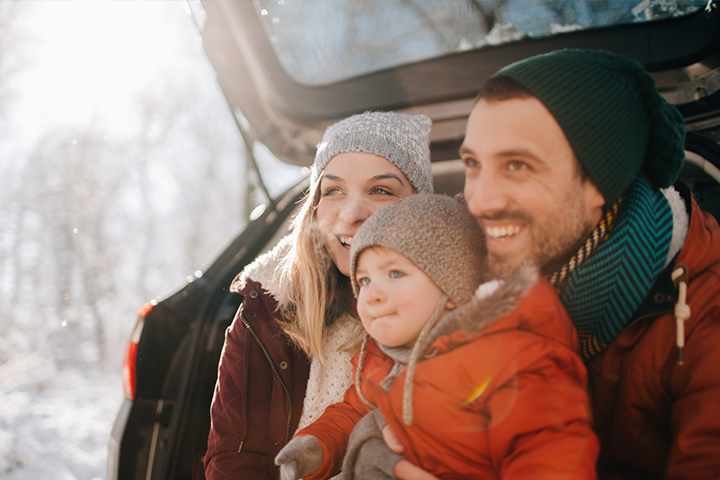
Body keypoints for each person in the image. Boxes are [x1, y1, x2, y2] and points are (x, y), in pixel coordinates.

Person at [378, 49, 720, 480]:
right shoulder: (458, 277)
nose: (478, 200)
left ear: (600, 182)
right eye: (473, 164)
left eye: (517, 166)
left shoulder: (705, 315)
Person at [274, 193, 599, 480]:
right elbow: (355, 410)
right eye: (365, 280)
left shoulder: (509, 356)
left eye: (395, 273)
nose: (371, 295)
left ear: (452, 287)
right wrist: (315, 446)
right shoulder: (386, 358)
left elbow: (548, 453)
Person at [203, 111, 435, 480]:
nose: (351, 213)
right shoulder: (265, 312)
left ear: (421, 209)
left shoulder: (458, 309)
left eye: (380, 190)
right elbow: (233, 460)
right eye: (333, 190)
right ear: (315, 207)